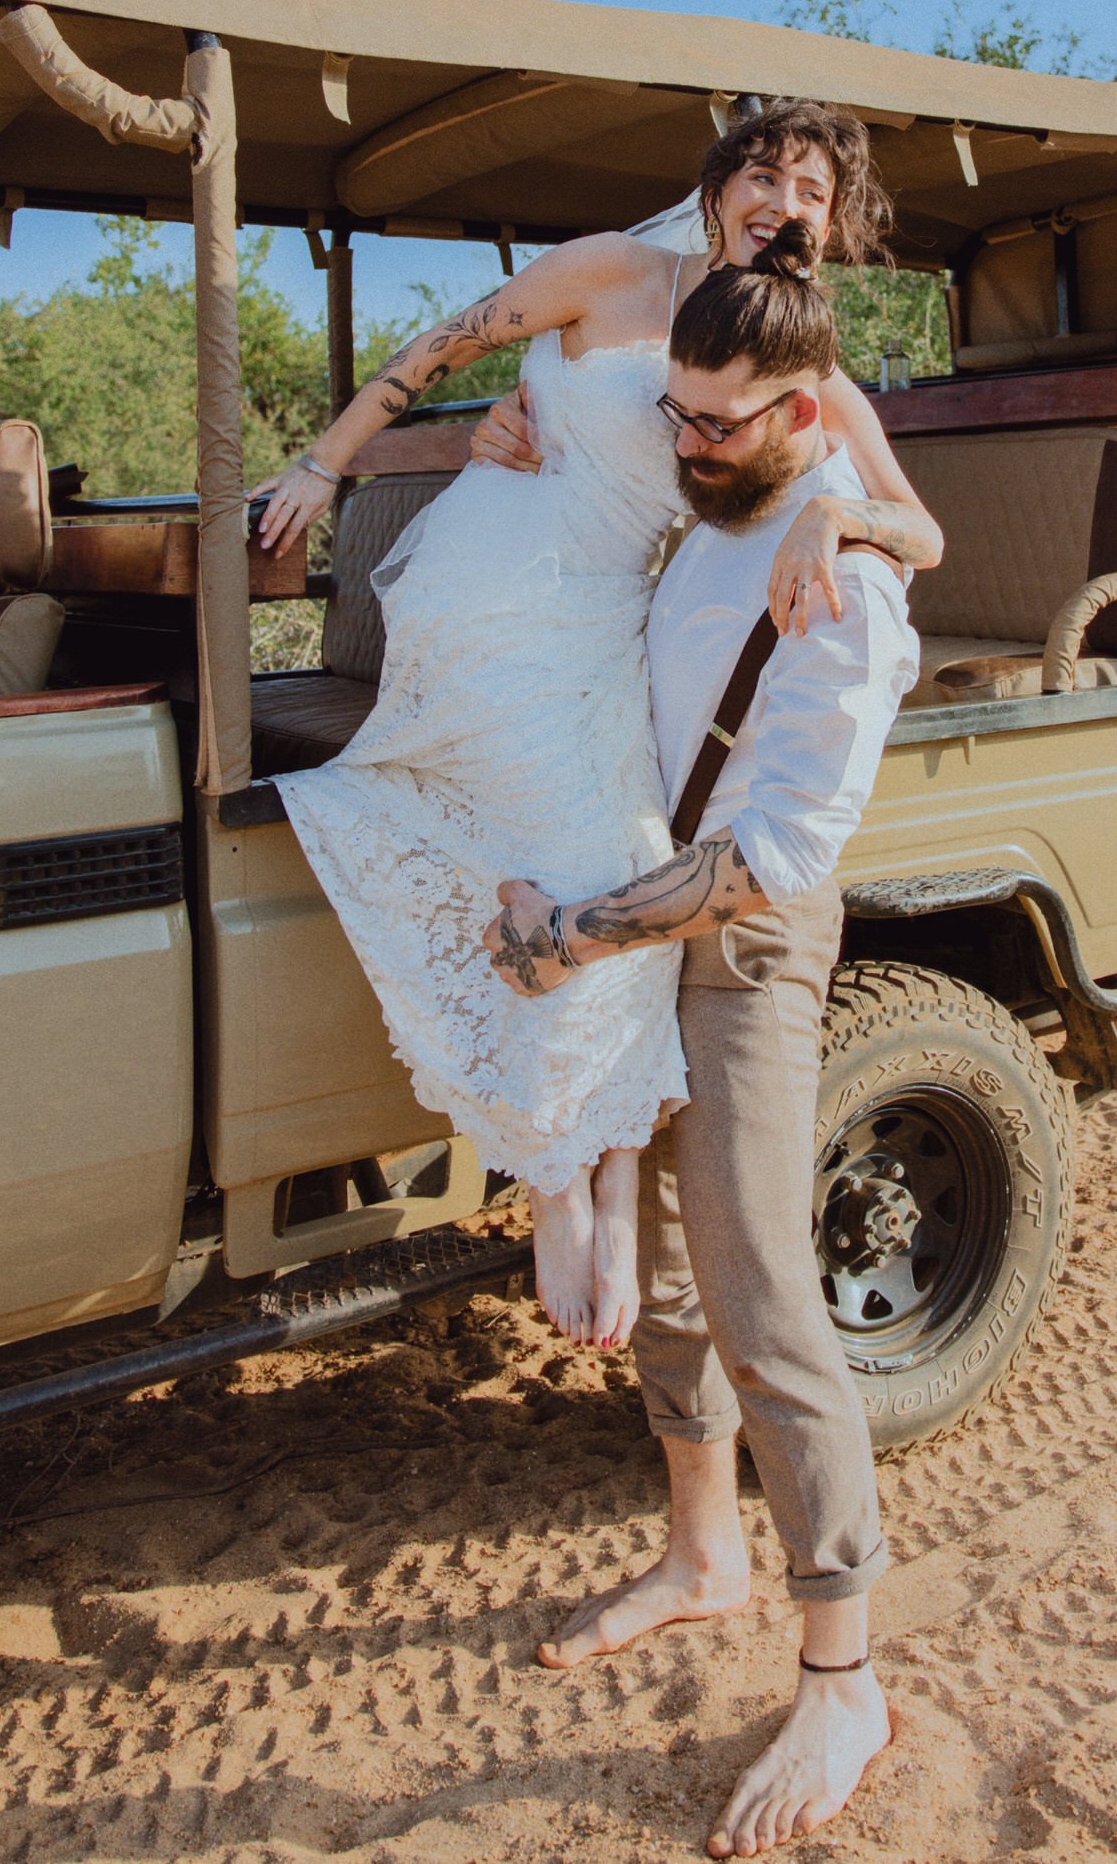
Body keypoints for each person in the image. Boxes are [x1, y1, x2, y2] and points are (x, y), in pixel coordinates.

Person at [250, 101, 941, 1352]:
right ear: (718, 186)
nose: (782, 199)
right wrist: (326, 464)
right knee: (584, 845)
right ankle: (565, 1175)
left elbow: (921, 527)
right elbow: (444, 345)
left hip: (619, 621)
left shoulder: (799, 360)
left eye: (811, 189)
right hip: (503, 580)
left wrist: (834, 520)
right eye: (762, 172)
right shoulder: (613, 272)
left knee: (630, 851)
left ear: (825, 225)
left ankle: (604, 1157)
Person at [485, 226, 916, 1858]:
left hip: (734, 946)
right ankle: (700, 1555)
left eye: (716, 423)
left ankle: (843, 1668)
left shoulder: (843, 588)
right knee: (660, 1277)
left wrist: (580, 932)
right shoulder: (715, 506)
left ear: (808, 412)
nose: (686, 441)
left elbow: (770, 856)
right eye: (675, 410)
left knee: (755, 1291)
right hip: (627, 907)